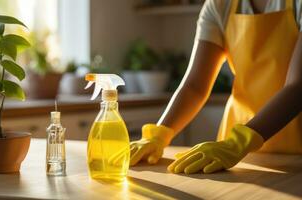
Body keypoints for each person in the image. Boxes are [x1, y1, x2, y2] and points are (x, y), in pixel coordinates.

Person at [129, 0, 302, 174]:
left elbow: (298, 87)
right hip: (238, 155)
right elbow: (195, 85)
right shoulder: (219, 5)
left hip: (291, 153)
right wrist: (158, 135)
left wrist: (237, 143)